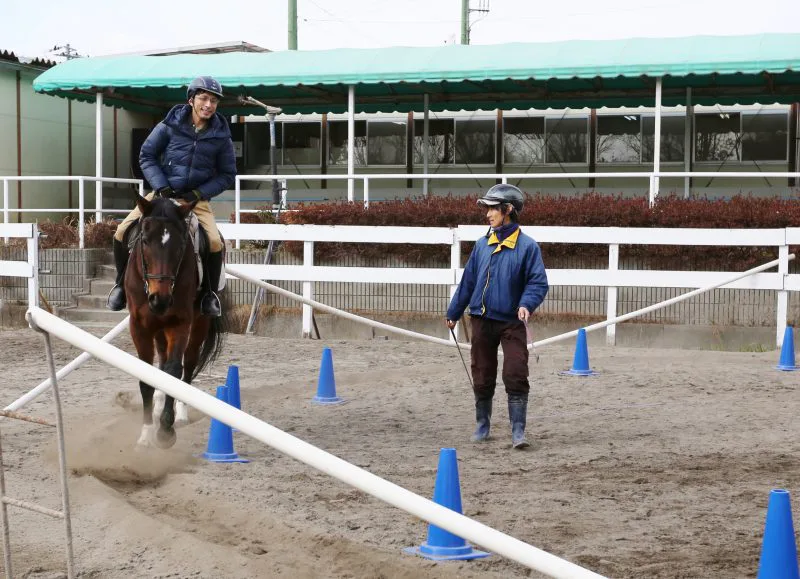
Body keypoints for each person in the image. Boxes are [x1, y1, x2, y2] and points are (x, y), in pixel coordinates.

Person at [106, 76, 236, 317]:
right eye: (204, 98)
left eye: (214, 100)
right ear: (191, 99)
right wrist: (161, 186)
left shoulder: (221, 135)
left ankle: (209, 294)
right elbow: (146, 155)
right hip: (161, 193)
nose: (209, 104)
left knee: (215, 242)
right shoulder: (169, 125)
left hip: (195, 200)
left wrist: (198, 193)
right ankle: (120, 285)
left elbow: (228, 174)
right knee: (122, 231)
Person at [446, 184, 549, 449]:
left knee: (515, 372)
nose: (488, 214)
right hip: (480, 318)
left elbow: (538, 283)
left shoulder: (528, 247)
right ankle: (483, 425)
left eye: (493, 208)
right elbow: (468, 282)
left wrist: (527, 303)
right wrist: (454, 311)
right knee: (482, 374)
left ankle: (518, 432)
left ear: (508, 210)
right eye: (488, 209)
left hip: (512, 322)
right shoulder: (482, 246)